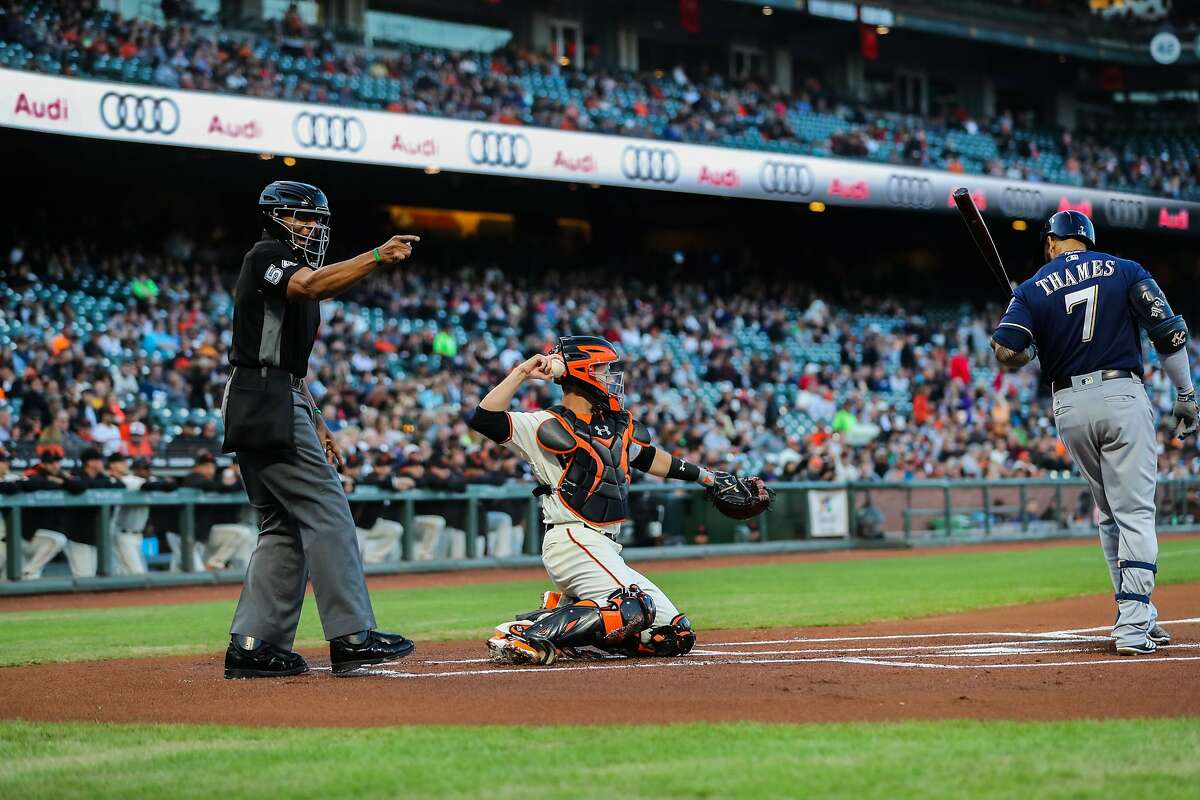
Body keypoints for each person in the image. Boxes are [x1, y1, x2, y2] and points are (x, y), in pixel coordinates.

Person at [468, 335, 770, 665]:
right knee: (632, 607)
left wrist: (708, 478)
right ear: (581, 372)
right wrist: (523, 371)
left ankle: (562, 615)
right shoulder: (544, 423)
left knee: (672, 635)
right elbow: (485, 418)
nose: (609, 377)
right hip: (572, 538)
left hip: (606, 546)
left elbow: (651, 458)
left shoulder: (614, 426)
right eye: (601, 369)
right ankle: (525, 635)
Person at [222, 180, 421, 679]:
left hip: (272, 395)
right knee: (328, 510)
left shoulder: (295, 269)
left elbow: (290, 367)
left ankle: (255, 643)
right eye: (301, 217)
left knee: (283, 524)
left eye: (315, 220)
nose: (311, 226)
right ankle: (353, 636)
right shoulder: (266, 254)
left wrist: (315, 418)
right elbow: (308, 287)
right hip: (262, 397)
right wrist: (376, 255)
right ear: (275, 217)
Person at [991, 210, 1197, 656]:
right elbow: (1169, 331)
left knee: (1109, 514)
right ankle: (1133, 624)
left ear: (1051, 242)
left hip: (1068, 407)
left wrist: (1025, 333)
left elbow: (1008, 351)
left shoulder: (1031, 288)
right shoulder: (1125, 270)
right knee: (1136, 513)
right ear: (1087, 240)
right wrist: (1185, 393)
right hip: (1120, 393)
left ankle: (1135, 612)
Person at [106, 452, 177, 575]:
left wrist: (168, 482)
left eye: (148, 468)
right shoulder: (128, 480)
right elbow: (148, 486)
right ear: (135, 470)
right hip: (122, 534)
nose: (148, 471)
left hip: (137, 535)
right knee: (137, 573)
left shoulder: (147, 479)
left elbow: (170, 485)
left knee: (127, 572)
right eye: (144, 468)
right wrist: (165, 483)